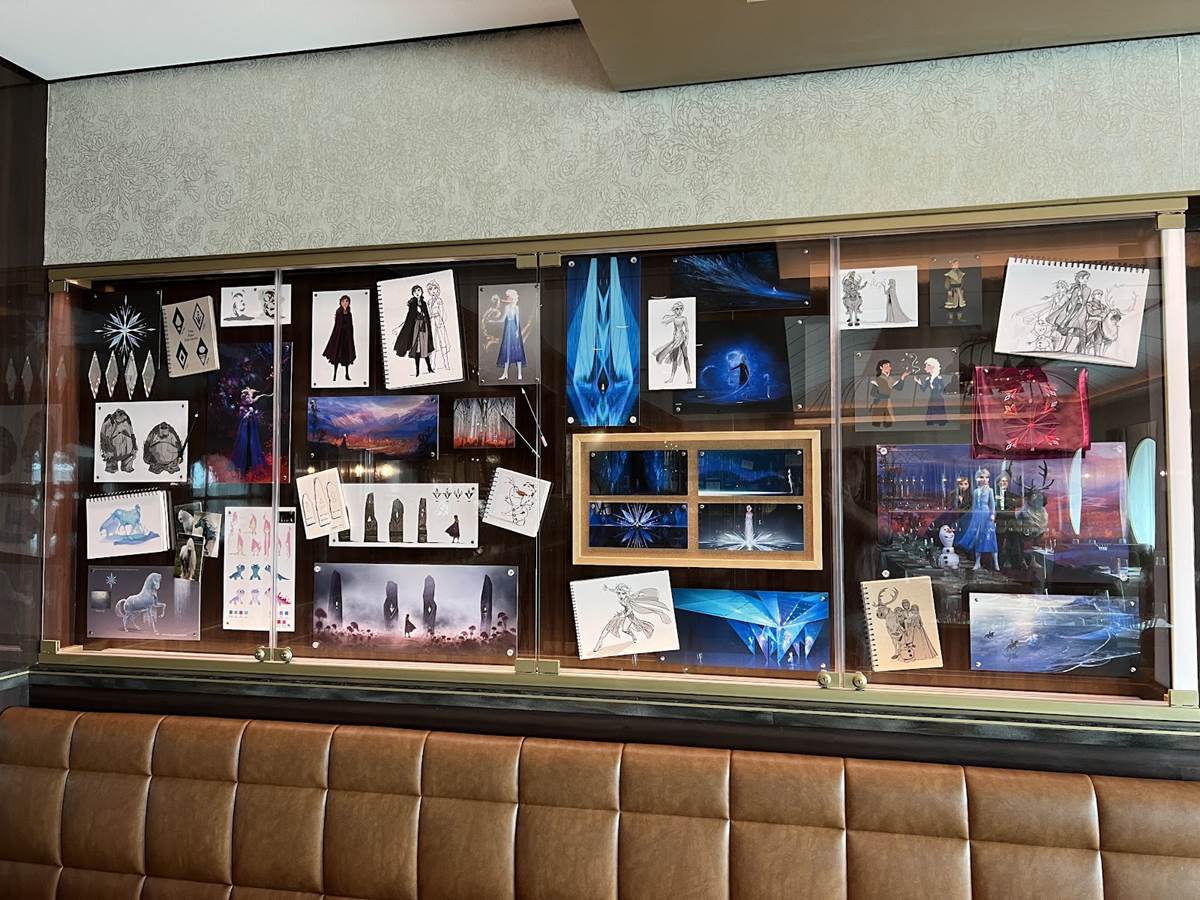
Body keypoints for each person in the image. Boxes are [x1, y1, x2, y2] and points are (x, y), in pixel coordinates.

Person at [958, 467, 999, 571]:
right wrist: (972, 515)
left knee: (990, 537)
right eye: (982, 477)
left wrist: (992, 515)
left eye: (986, 477)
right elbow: (974, 505)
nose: (984, 479)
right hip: (977, 515)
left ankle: (996, 562)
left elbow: (992, 504)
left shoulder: (990, 490)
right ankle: (977, 562)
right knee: (978, 537)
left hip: (986, 514)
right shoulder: (976, 491)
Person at [394, 284, 435, 376]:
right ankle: (417, 371)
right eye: (415, 291)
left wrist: (424, 316)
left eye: (419, 290)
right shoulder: (412, 304)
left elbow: (427, 315)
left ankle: (429, 368)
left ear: (422, 292)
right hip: (416, 327)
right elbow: (409, 317)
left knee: (425, 347)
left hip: (424, 327)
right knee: (417, 348)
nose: (417, 293)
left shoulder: (424, 303)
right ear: (412, 293)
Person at [231, 386, 271, 476]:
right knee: (245, 445)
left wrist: (253, 414)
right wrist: (249, 413)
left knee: (252, 444)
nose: (250, 399)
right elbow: (242, 418)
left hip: (252, 430)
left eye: (250, 397)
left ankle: (253, 464)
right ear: (244, 399)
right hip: (245, 430)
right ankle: (244, 465)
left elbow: (255, 418)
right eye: (248, 398)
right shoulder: (242, 408)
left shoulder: (252, 407)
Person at [652, 300, 691, 385]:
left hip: (682, 338)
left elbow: (687, 330)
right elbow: (666, 323)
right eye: (677, 309)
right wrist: (674, 337)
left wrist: (687, 340)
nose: (679, 311)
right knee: (674, 359)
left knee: (686, 357)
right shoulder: (674, 318)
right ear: (674, 310)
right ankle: (672, 378)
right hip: (676, 339)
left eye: (680, 309)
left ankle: (689, 377)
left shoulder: (684, 318)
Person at [321, 294, 356, 381]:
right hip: (339, 338)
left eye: (347, 301)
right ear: (340, 302)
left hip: (347, 338)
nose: (345, 303)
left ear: (349, 303)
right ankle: (334, 375)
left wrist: (350, 336)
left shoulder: (349, 314)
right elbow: (337, 326)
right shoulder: (338, 312)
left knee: (346, 356)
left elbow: (351, 326)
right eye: (343, 301)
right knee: (337, 356)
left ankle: (347, 374)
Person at [495, 288, 527, 381]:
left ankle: (519, 373)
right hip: (508, 330)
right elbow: (502, 319)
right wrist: (493, 321)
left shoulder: (516, 308)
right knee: (507, 350)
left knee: (517, 350)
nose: (507, 298)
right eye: (507, 296)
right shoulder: (507, 307)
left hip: (513, 328)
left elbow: (517, 320)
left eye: (508, 296)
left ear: (512, 297)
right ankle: (505, 373)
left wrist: (517, 331)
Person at [867, 360, 909, 428]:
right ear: (881, 367)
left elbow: (899, 388)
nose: (889, 367)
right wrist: (881, 397)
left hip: (887, 402)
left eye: (889, 366)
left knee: (888, 422)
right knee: (878, 421)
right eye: (886, 366)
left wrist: (902, 377)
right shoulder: (878, 379)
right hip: (879, 402)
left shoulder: (890, 379)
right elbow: (873, 393)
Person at [994, 473, 1023, 569]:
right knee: (999, 546)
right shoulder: (994, 495)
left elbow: (1019, 505)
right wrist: (1014, 513)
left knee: (1014, 545)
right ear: (998, 483)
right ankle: (999, 565)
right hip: (1000, 525)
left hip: (1012, 525)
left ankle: (1015, 565)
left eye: (1006, 481)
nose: (1004, 483)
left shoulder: (1012, 496)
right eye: (1002, 481)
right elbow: (998, 510)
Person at [913, 357, 948, 426]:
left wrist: (937, 391)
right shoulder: (928, 379)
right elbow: (923, 389)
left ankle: (940, 422)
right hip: (932, 398)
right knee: (932, 409)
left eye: (927, 366)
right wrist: (919, 383)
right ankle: (932, 421)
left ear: (932, 367)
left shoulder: (939, 378)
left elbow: (943, 388)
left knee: (938, 409)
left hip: (938, 398)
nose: (925, 368)